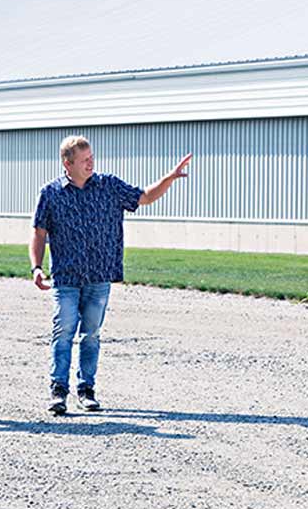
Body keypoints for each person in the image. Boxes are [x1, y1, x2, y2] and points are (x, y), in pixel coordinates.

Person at [29, 135, 192, 414]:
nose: (91, 163)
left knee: (91, 334)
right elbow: (39, 232)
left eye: (92, 157)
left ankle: (86, 390)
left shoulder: (109, 186)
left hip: (99, 276)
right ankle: (58, 391)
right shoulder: (51, 193)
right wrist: (36, 267)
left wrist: (170, 178)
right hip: (66, 277)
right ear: (67, 163)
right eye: (85, 160)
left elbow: (144, 197)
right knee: (64, 331)